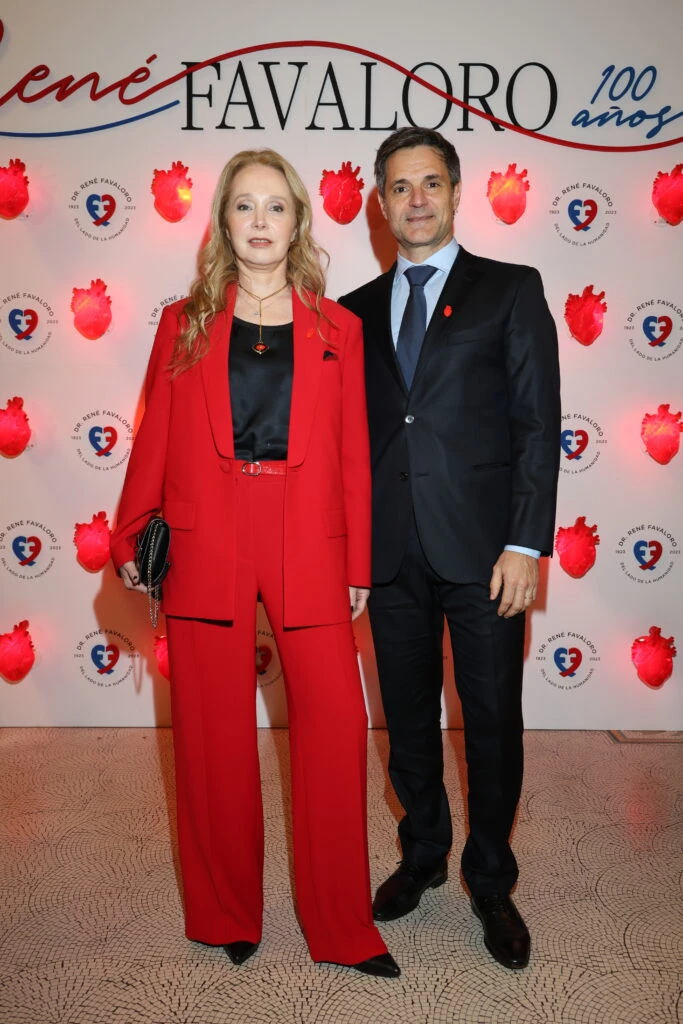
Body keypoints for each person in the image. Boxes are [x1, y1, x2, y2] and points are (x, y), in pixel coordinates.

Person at [111, 149, 399, 978]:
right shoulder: (184, 321)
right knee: (211, 737)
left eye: (277, 206)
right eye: (246, 206)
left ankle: (342, 926)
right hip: (209, 534)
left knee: (338, 729)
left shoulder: (337, 328)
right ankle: (224, 912)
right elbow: (155, 436)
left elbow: (352, 457)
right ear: (224, 222)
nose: (262, 220)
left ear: (298, 221)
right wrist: (133, 534)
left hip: (310, 535)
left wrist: (359, 559)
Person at [339, 127, 560, 970]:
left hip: (486, 554)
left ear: (456, 191)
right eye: (400, 187)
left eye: (430, 183)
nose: (416, 200)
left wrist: (523, 542)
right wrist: (348, 553)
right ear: (381, 201)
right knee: (405, 722)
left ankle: (491, 879)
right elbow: (351, 444)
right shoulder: (354, 312)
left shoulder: (509, 290)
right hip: (390, 555)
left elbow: (537, 425)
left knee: (493, 721)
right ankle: (424, 853)